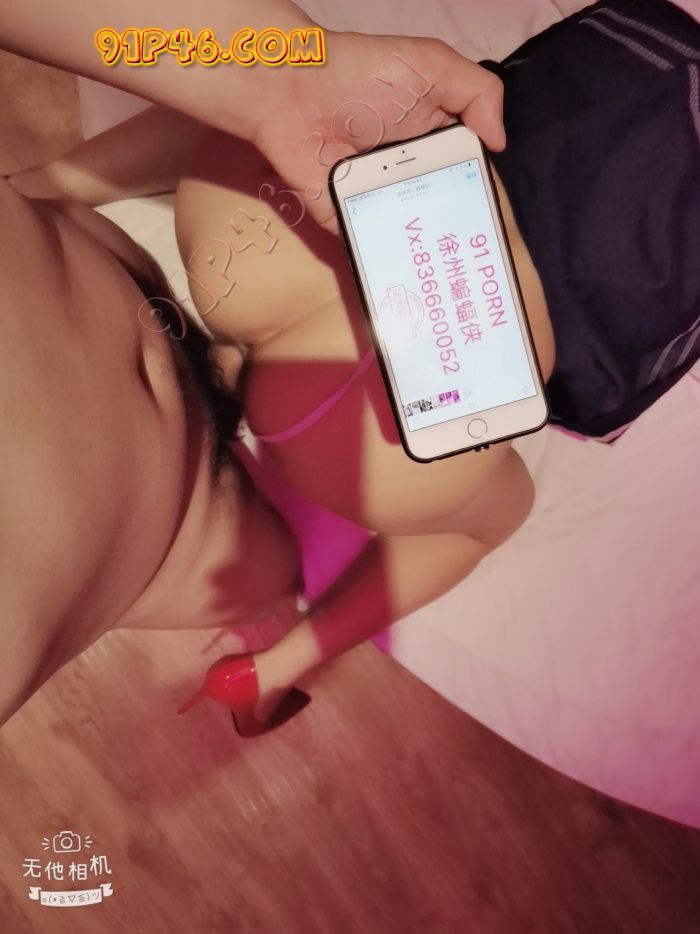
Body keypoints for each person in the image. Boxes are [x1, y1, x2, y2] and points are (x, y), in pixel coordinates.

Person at [5, 0, 700, 736]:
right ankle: (46, 184)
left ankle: (274, 662)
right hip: (261, 234)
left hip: (284, 403)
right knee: (255, 116)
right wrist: (275, 76)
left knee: (283, 564)